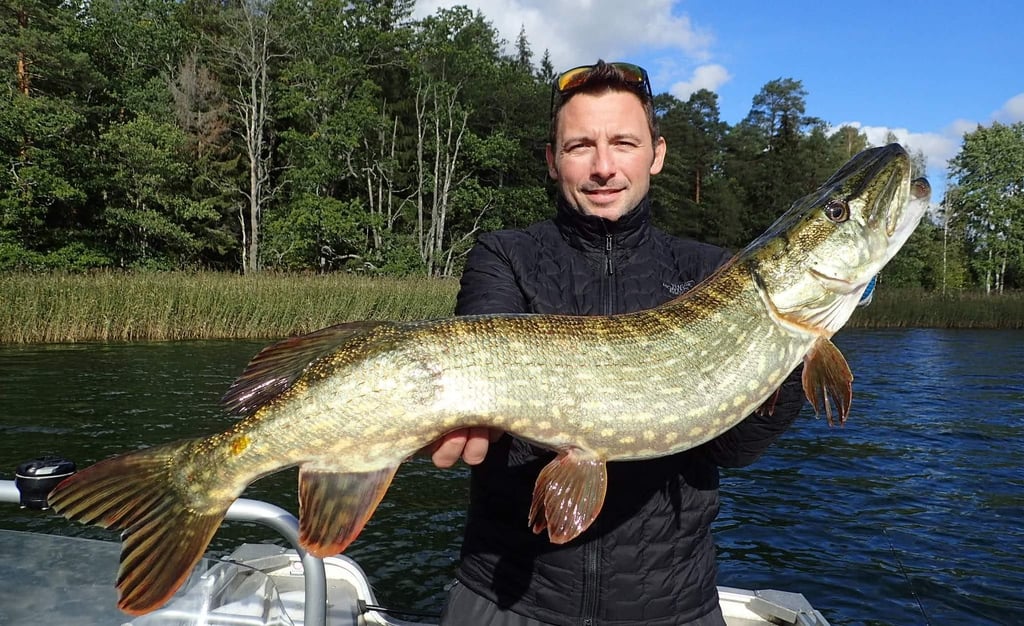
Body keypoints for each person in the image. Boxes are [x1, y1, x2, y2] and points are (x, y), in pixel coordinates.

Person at [428, 60, 805, 626]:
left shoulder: (711, 272)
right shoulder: (505, 254)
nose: (604, 167)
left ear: (656, 153)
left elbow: (732, 450)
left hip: (672, 607)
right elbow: (486, 390)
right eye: (581, 146)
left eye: (623, 142)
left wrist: (791, 346)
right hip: (508, 600)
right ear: (553, 162)